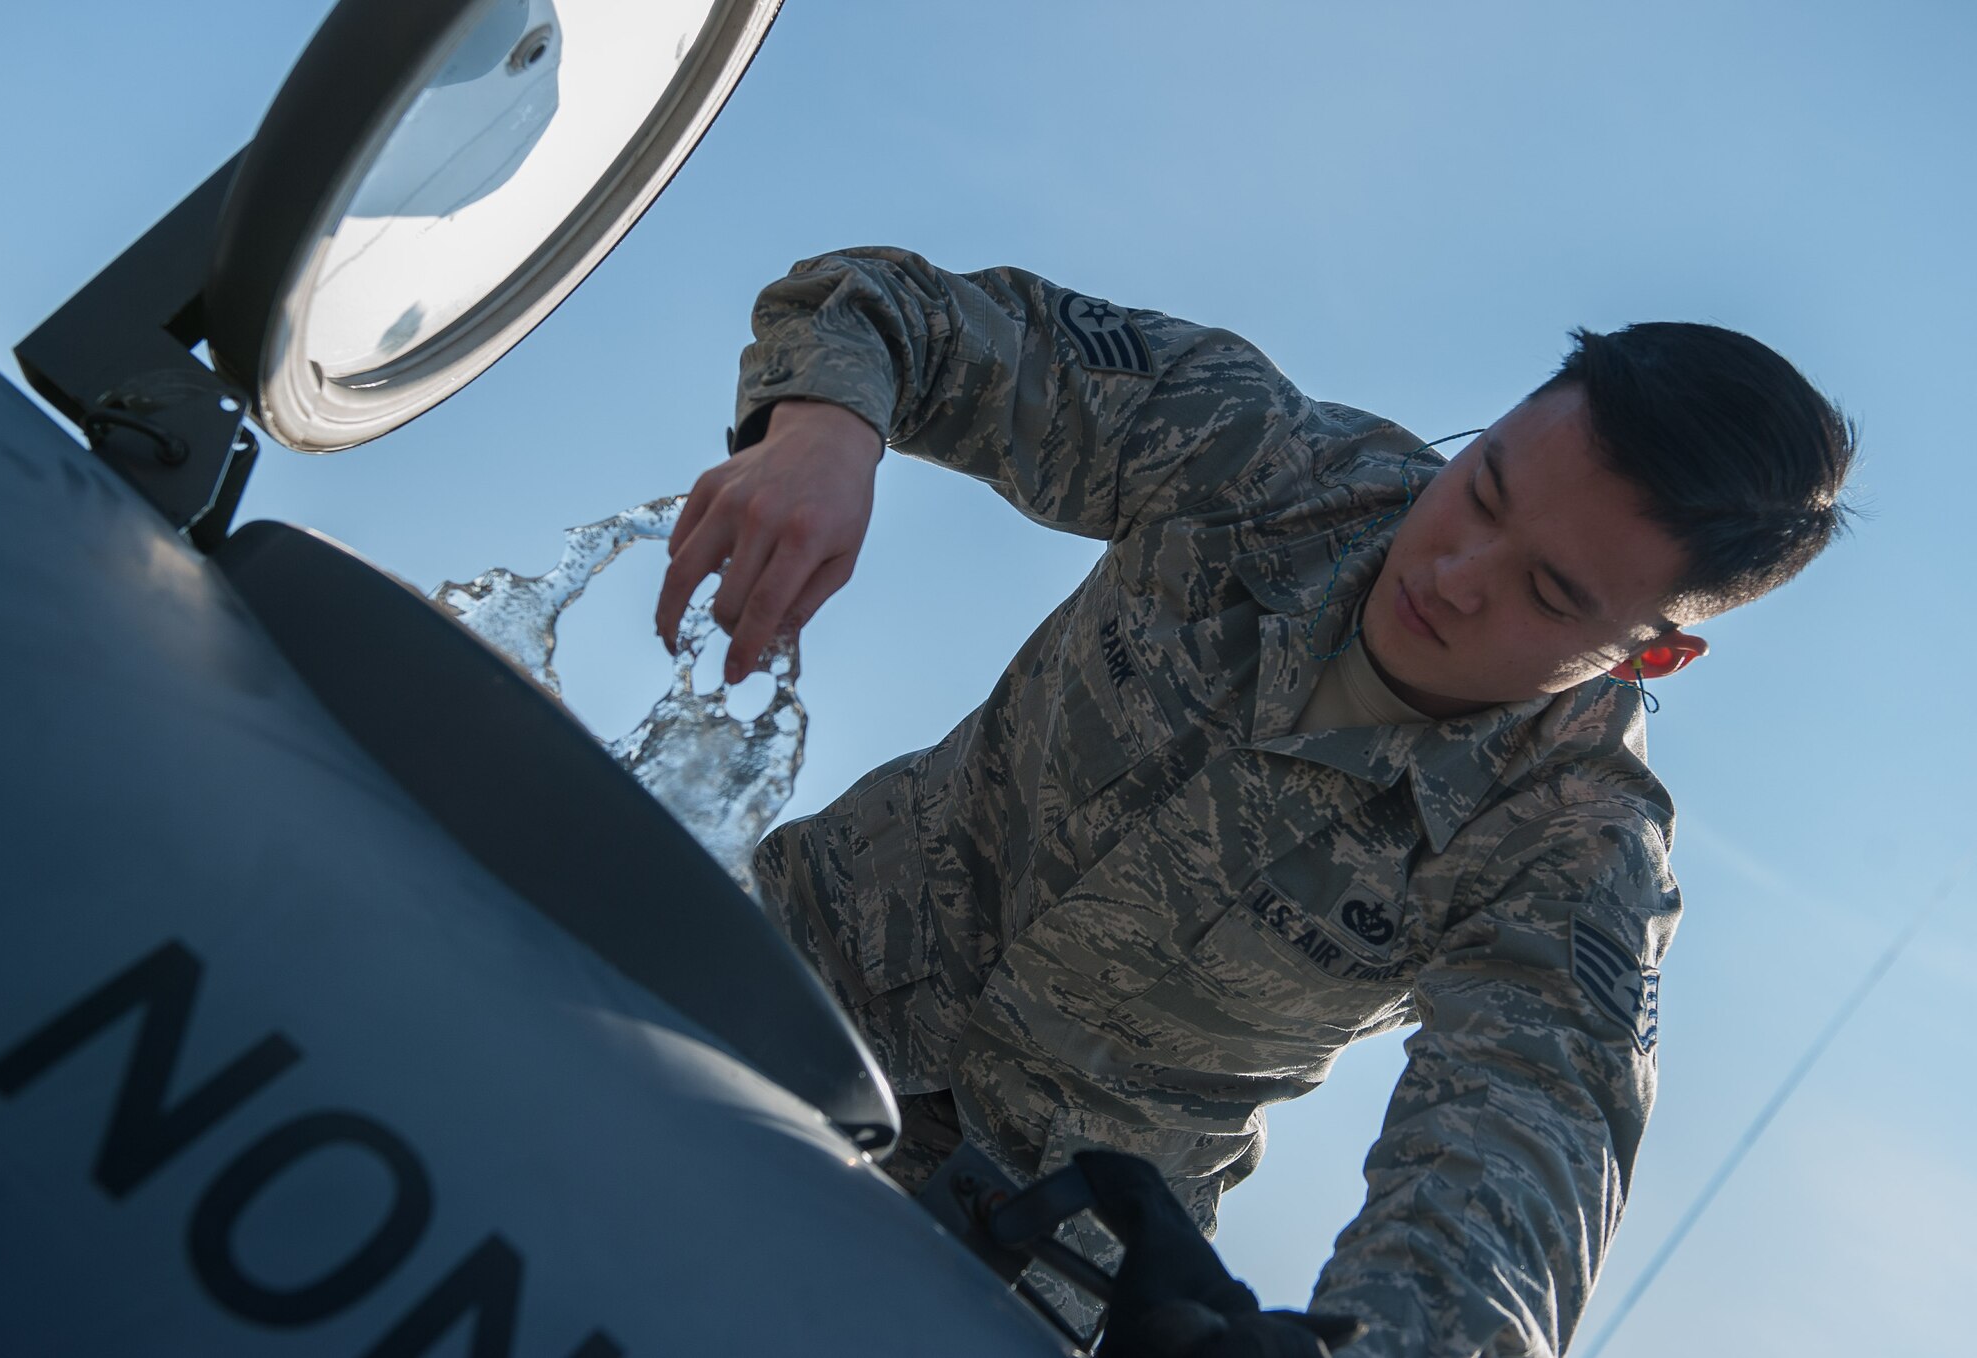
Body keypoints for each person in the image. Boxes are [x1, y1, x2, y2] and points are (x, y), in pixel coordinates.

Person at [654, 246, 1855, 1356]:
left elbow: (1526, 1144)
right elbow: (891, 309)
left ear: (1648, 656)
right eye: (1480, 488)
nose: (1450, 572)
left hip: (1025, 1249)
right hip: (769, 980)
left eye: (1545, 591)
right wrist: (823, 427)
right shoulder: (1261, 462)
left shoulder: (1572, 839)